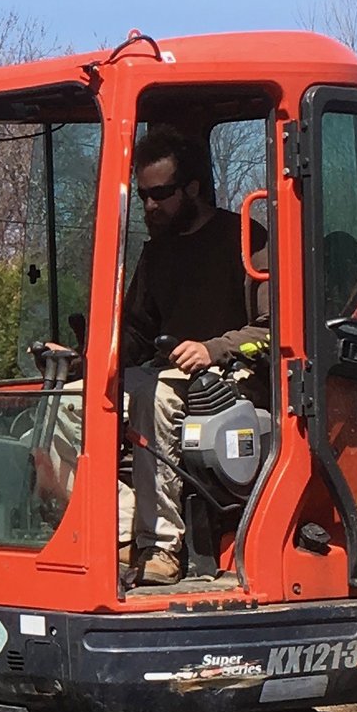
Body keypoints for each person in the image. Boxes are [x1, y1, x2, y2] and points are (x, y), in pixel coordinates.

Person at [118, 127, 249, 585]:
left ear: (192, 188)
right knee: (73, 400)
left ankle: (162, 545)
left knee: (152, 396)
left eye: (162, 194)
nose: (151, 207)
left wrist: (212, 348)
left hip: (234, 380)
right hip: (166, 371)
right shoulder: (156, 256)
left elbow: (277, 328)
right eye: (144, 197)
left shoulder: (245, 238)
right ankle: (115, 534)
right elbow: (135, 332)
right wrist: (82, 360)